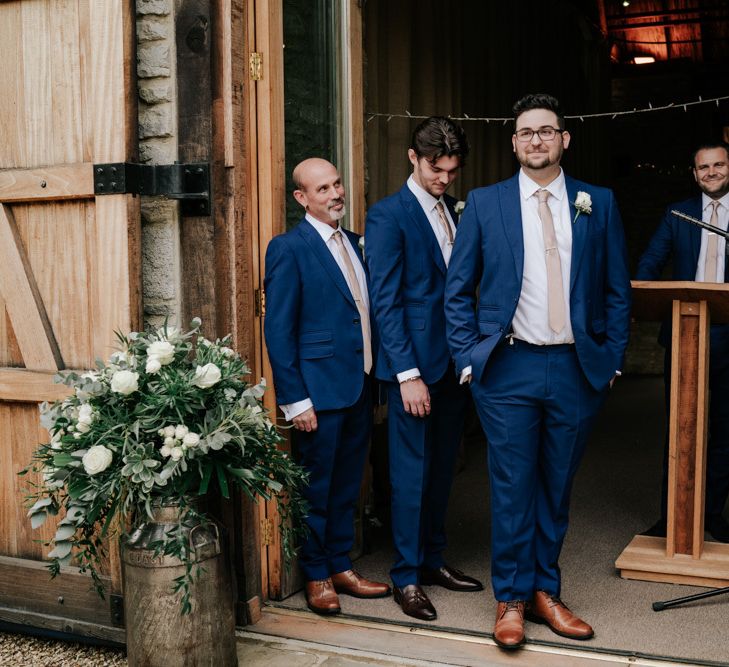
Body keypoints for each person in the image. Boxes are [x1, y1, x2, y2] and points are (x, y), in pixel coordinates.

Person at [444, 94, 631, 649]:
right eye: (526, 132)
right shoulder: (484, 202)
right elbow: (458, 291)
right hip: (508, 368)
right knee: (510, 487)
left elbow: (617, 290)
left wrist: (612, 357)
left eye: (547, 131)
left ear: (565, 140)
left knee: (555, 486)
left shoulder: (598, 202)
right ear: (513, 142)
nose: (536, 141)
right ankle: (512, 599)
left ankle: (547, 590)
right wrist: (469, 357)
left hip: (575, 368)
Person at [365, 117, 483, 622]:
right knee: (410, 474)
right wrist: (406, 374)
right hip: (415, 367)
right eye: (437, 169)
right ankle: (406, 576)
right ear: (413, 158)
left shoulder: (453, 210)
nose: (445, 179)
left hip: (455, 364)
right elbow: (385, 301)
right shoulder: (388, 215)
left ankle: (433, 560)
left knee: (441, 469)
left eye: (453, 171)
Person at [264, 158, 391, 615]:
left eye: (338, 183)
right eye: (323, 189)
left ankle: (342, 566)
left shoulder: (356, 243)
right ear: (302, 198)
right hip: (317, 393)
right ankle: (316, 573)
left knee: (346, 486)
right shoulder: (288, 248)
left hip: (358, 385)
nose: (336, 193)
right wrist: (296, 401)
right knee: (316, 488)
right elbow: (279, 332)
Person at [636, 141, 729, 543]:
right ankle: (671, 516)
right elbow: (648, 264)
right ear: (694, 174)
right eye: (703, 167)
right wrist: (651, 290)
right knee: (681, 427)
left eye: (719, 165)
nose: (711, 172)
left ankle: (711, 514)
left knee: (725, 430)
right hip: (686, 331)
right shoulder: (679, 214)